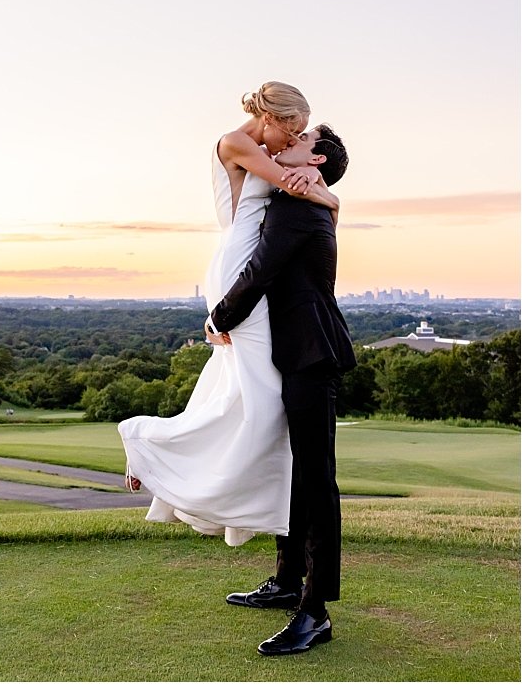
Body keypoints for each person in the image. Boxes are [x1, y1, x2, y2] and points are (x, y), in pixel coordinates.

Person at [118, 82, 338, 545]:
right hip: (241, 265)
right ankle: (146, 441)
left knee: (243, 389)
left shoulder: (267, 152)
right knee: (259, 401)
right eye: (292, 133)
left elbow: (295, 186)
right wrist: (331, 198)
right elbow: (285, 184)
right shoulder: (235, 142)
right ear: (273, 119)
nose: (291, 143)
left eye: (300, 138)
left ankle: (226, 496)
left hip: (246, 262)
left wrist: (325, 192)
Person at [207, 124, 354, 656]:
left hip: (311, 357)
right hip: (295, 354)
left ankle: (314, 613)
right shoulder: (308, 202)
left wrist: (218, 317)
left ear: (313, 158)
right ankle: (288, 580)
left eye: (301, 137)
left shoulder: (299, 209)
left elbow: (261, 271)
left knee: (317, 481)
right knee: (293, 471)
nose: (285, 141)